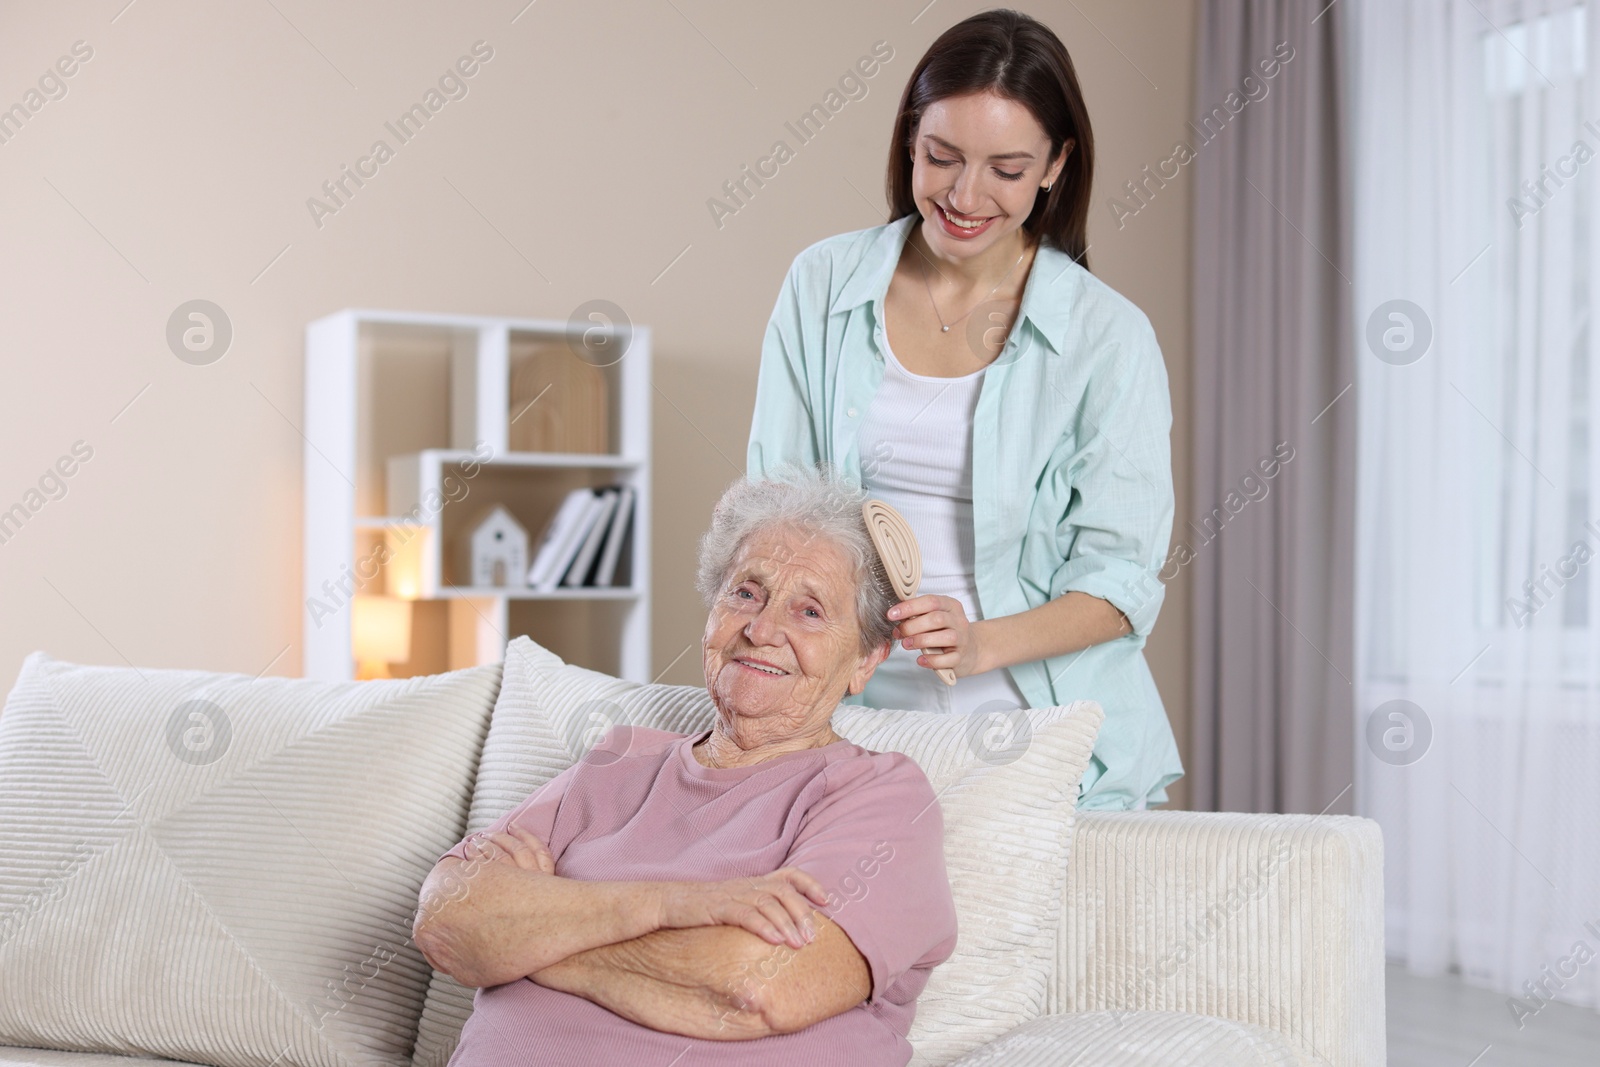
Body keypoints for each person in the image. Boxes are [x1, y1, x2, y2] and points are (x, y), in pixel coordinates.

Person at [746, 8, 1181, 811]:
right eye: (941, 156)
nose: (965, 195)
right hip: (852, 726)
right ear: (911, 139)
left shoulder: (1107, 338)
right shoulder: (822, 287)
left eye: (1007, 170)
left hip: (1041, 740)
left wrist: (980, 642)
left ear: (1056, 166)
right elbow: (777, 506)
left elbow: (1119, 581)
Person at [413, 467, 958, 1067]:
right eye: (746, 593)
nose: (761, 628)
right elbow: (446, 917)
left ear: (865, 659)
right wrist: (667, 907)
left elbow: (754, 987)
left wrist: (529, 938)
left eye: (809, 612)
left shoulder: (878, 794)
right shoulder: (616, 763)